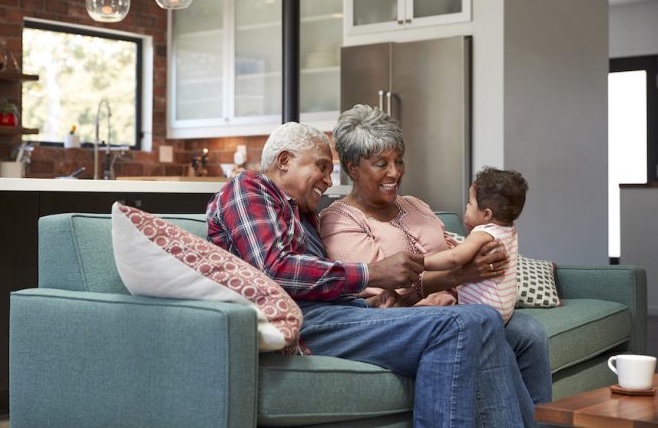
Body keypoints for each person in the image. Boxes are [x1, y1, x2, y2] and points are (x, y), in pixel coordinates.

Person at [206, 121, 534, 427]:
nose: (328, 180)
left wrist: (371, 305)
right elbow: (275, 268)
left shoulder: (303, 213)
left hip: (336, 314)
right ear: (284, 160)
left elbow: (322, 280)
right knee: (462, 322)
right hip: (299, 321)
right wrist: (373, 273)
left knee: (488, 322)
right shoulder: (248, 188)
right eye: (321, 166)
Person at [319, 104, 551, 409]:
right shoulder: (339, 221)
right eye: (381, 164)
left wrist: (486, 257)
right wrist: (463, 275)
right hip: (414, 320)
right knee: (487, 338)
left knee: (531, 332)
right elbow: (384, 289)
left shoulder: (415, 204)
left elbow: (450, 249)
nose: (395, 172)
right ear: (352, 168)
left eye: (398, 161)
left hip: (461, 305)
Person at [423, 166, 527, 323]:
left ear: (486, 214)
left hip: (482, 312)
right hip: (503, 309)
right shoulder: (509, 230)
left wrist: (422, 263)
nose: (466, 207)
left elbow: (454, 258)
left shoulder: (483, 233)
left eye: (469, 203)